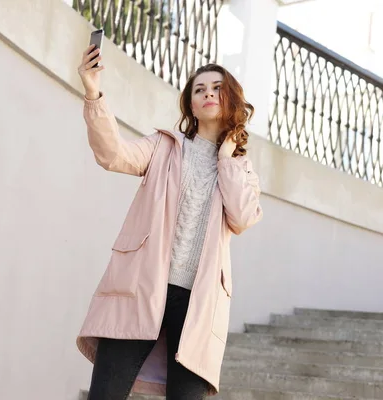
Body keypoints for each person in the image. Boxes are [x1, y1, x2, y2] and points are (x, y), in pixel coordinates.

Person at [75, 44, 264, 400]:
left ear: (231, 100)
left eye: (217, 87)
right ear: (191, 105)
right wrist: (92, 91)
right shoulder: (163, 146)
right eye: (199, 89)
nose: (208, 92)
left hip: (197, 304)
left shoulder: (241, 169)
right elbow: (113, 154)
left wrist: (226, 157)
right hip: (141, 288)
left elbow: (241, 217)